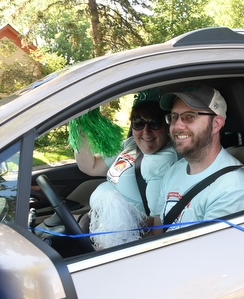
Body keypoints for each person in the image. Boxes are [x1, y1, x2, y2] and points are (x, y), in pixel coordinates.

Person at [149, 84, 244, 234]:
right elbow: (158, 229)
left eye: (189, 116)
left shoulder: (233, 186)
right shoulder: (174, 170)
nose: (177, 125)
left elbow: (207, 254)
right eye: (174, 117)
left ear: (216, 124)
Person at [74, 93, 177, 247]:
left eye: (154, 123)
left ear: (167, 126)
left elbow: (156, 224)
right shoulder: (131, 144)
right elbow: (91, 166)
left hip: (118, 238)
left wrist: (114, 240)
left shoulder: (163, 161)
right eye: (138, 123)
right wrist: (79, 129)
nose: (146, 131)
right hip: (96, 222)